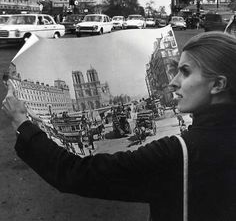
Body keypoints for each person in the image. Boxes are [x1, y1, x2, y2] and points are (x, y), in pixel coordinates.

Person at [2, 31, 236, 221]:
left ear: (218, 84)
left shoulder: (180, 152)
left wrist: (22, 123)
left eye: (185, 72)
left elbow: (75, 174)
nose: (173, 82)